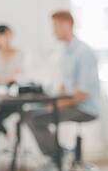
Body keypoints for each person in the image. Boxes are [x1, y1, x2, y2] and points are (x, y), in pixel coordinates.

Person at [24, 10, 100, 161]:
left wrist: (56, 105)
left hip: (85, 108)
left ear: (67, 25)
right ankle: (58, 154)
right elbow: (65, 86)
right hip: (71, 103)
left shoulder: (84, 52)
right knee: (29, 113)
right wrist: (52, 98)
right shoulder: (65, 51)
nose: (53, 31)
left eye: (56, 26)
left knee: (34, 118)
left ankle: (56, 157)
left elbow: (82, 94)